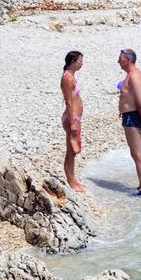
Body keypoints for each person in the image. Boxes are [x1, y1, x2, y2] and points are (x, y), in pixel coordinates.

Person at [118, 49, 141, 197]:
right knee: (135, 153)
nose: (118, 62)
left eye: (120, 59)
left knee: (137, 154)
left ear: (128, 60)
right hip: (129, 116)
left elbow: (140, 103)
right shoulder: (130, 76)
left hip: (132, 116)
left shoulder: (135, 77)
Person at [61, 51, 85, 193]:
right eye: (80, 60)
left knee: (75, 149)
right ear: (73, 61)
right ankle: (71, 181)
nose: (82, 63)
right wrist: (72, 123)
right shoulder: (67, 79)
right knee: (71, 150)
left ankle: (73, 178)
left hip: (76, 118)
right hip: (72, 119)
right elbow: (68, 103)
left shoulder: (71, 76)